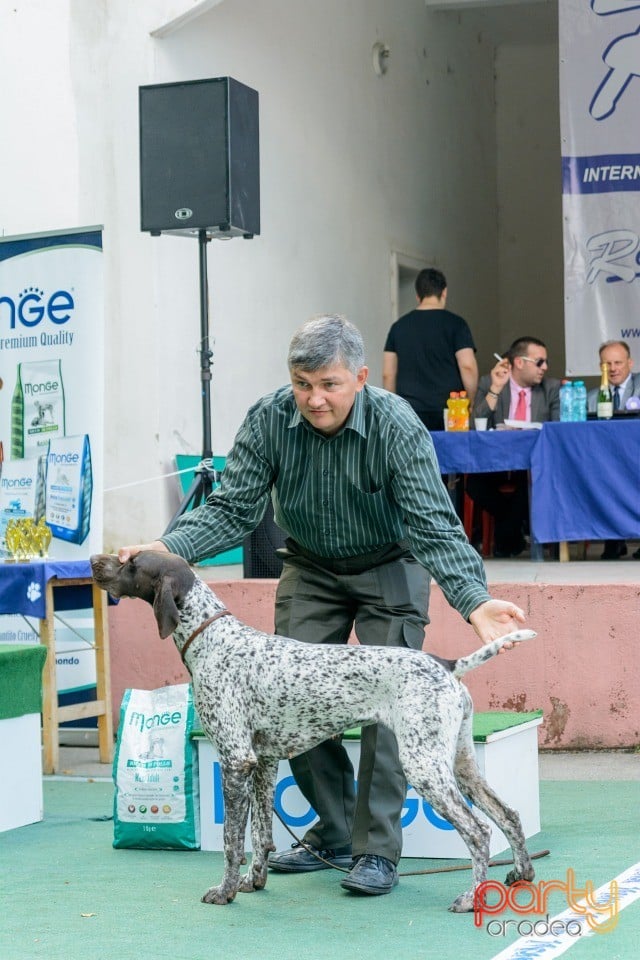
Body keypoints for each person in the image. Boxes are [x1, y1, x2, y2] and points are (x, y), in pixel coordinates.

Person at [119, 314, 526, 897]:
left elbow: (433, 525)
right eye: (302, 383)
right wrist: (165, 547)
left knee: (393, 707)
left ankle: (378, 852)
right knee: (283, 697)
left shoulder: (396, 424)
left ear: (360, 377)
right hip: (309, 564)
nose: (314, 398)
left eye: (329, 384)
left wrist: (475, 601)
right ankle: (334, 834)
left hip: (390, 561)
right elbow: (233, 509)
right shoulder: (268, 419)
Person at [467, 337, 560, 558]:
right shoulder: (489, 383)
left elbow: (557, 429)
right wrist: (495, 389)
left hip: (532, 465)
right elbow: (474, 425)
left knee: (529, 486)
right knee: (473, 486)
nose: (545, 368)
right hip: (495, 463)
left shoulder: (551, 388)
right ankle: (513, 532)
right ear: (519, 362)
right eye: (539, 362)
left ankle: (507, 538)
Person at [382, 268, 478, 432]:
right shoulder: (456, 324)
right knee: (449, 457)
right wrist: (471, 401)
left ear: (418, 295)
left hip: (409, 411)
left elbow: (388, 374)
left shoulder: (398, 327)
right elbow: (467, 366)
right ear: (444, 292)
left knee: (414, 457)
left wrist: (392, 409)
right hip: (451, 411)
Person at [587, 340, 640, 559]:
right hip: (605, 461)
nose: (614, 368)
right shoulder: (591, 397)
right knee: (599, 478)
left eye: (618, 362)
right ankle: (614, 540)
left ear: (630, 363)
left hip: (635, 458)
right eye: (607, 364)